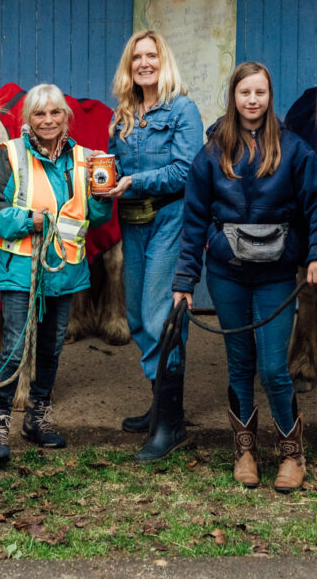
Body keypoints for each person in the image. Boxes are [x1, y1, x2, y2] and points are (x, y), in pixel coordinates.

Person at [172, 62, 317, 491]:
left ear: (269, 96)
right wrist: (184, 282)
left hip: (276, 277)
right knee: (239, 365)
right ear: (234, 96)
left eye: (260, 92)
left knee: (273, 369)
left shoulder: (295, 150)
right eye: (245, 92)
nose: (252, 100)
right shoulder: (211, 154)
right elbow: (192, 221)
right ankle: (244, 450)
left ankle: (291, 454)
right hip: (227, 275)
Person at [0, 83, 112, 462]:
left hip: (65, 270)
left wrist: (102, 199)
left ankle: (37, 417)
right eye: (39, 113)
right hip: (21, 268)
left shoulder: (86, 159)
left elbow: (95, 216)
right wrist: (26, 221)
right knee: (14, 347)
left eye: (55, 113)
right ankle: (0, 422)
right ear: (27, 119)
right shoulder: (10, 154)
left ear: (66, 117)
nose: (48, 120)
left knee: (51, 349)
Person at [104, 30, 204, 461]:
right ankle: (160, 406)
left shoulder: (182, 109)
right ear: (129, 66)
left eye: (152, 55)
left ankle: (172, 425)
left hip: (169, 218)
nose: (144, 63)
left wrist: (135, 182)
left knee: (160, 314)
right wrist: (100, 181)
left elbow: (187, 171)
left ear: (164, 61)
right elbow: (111, 166)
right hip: (133, 220)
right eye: (137, 57)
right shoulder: (122, 115)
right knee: (137, 318)